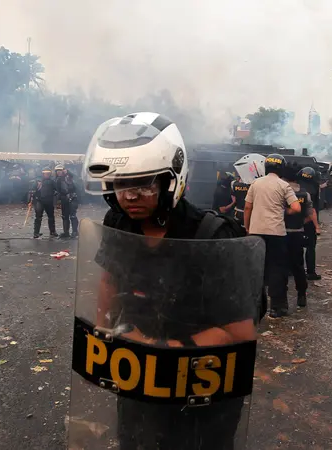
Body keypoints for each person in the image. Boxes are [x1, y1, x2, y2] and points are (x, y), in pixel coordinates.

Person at [83, 112, 256, 449]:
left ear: (171, 179)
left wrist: (162, 350)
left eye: (143, 183)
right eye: (121, 183)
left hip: (203, 386)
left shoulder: (214, 238)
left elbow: (240, 333)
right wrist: (104, 329)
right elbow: (109, 277)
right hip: (139, 377)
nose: (129, 196)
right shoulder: (118, 222)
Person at [244, 153, 301, 318]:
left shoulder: (255, 183)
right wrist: (285, 211)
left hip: (256, 232)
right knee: (277, 269)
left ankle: (253, 307)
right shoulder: (283, 185)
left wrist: (248, 228)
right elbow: (296, 208)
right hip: (276, 233)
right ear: (281, 168)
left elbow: (247, 208)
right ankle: (277, 308)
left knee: (256, 269)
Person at [281, 164, 319, 308]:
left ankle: (282, 299)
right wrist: (304, 223)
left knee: (281, 267)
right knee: (298, 266)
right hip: (298, 233)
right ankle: (302, 296)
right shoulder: (305, 194)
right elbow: (311, 214)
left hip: (282, 233)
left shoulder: (281, 192)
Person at [296, 166, 322, 280]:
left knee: (295, 247)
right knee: (310, 247)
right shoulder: (314, 188)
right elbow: (313, 210)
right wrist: (317, 227)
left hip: (294, 222)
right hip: (309, 222)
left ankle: (295, 270)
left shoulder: (294, 188)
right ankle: (310, 272)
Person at [33, 167, 58, 239]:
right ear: (43, 174)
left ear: (50, 174)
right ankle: (36, 233)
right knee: (38, 217)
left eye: (48, 173)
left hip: (49, 201)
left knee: (51, 217)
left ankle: (52, 231)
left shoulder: (52, 181)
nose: (46, 175)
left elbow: (56, 190)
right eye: (45, 173)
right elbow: (33, 189)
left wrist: (55, 196)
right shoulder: (38, 181)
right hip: (40, 201)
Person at [55, 164, 79, 238]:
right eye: (57, 171)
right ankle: (66, 232)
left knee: (72, 216)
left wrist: (68, 172)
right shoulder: (57, 179)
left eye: (60, 170)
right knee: (65, 216)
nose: (59, 172)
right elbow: (58, 191)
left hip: (72, 198)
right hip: (63, 199)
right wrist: (58, 200)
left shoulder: (69, 177)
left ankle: (75, 232)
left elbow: (76, 178)